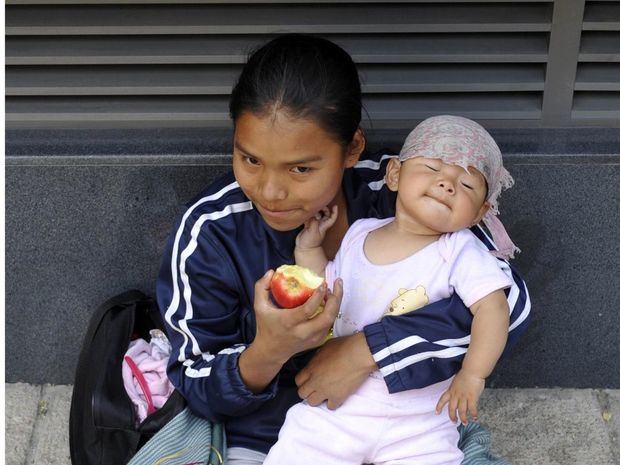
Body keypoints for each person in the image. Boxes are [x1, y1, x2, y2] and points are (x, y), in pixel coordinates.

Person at [156, 34, 531, 465]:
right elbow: (193, 378)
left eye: (301, 168)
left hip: (410, 426)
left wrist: (367, 350)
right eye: (251, 160)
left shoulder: (400, 191)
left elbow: (510, 304)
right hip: (277, 438)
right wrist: (269, 351)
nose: (272, 191)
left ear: (351, 149)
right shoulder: (212, 230)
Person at [264, 115, 519, 465]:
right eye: (432, 168)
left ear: (480, 213)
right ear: (395, 174)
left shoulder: (460, 251)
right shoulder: (360, 234)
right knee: (297, 449)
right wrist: (308, 251)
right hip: (341, 405)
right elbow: (328, 292)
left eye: (467, 185)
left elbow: (494, 309)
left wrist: (474, 374)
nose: (447, 184)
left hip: (421, 419)